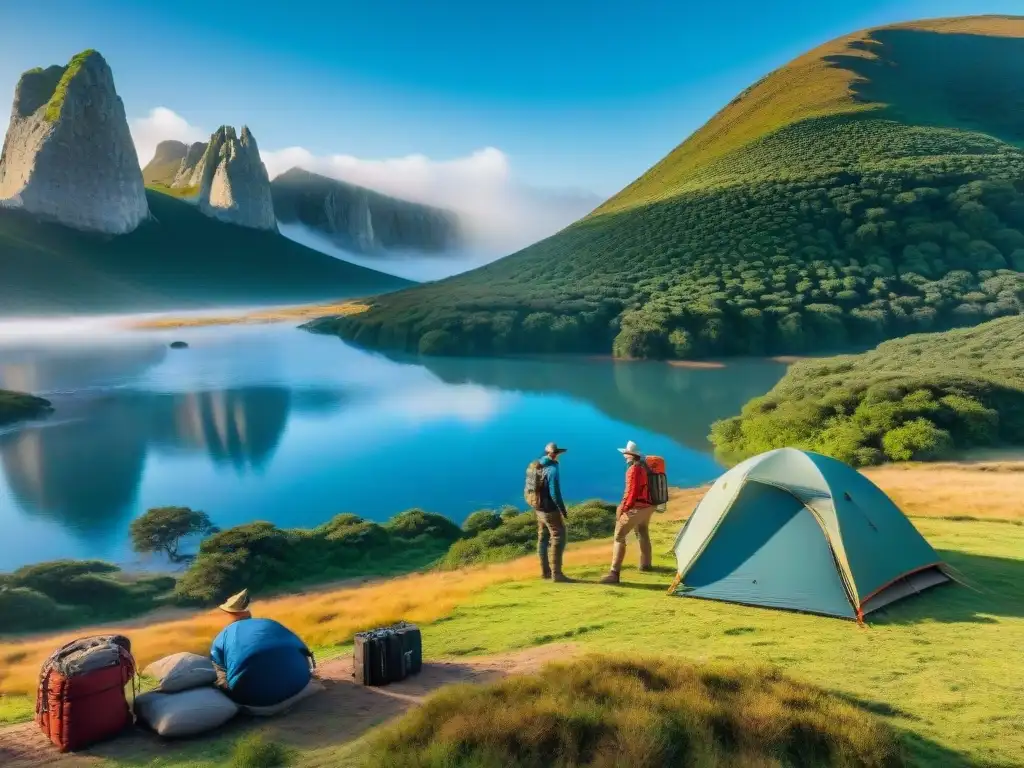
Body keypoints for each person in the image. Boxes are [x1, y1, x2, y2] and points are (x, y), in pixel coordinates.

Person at [210, 589, 315, 707]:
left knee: (219, 670)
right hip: (300, 682)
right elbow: (303, 649)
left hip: (256, 699)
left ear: (230, 614)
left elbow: (217, 665)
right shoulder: (270, 623)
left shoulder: (223, 636)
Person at [600, 440, 654, 585]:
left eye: (625, 454)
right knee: (642, 532)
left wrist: (624, 508)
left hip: (636, 508)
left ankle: (614, 574)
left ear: (629, 455)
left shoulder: (633, 469)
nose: (623, 456)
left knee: (619, 537)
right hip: (648, 506)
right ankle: (646, 564)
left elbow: (632, 491)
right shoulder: (644, 467)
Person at [534, 441, 573, 583]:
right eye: (556, 453)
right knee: (558, 537)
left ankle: (545, 572)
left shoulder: (538, 465)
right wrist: (562, 510)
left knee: (543, 538)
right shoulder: (552, 469)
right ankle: (557, 574)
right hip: (550, 509)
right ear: (554, 454)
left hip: (538, 508)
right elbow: (555, 492)